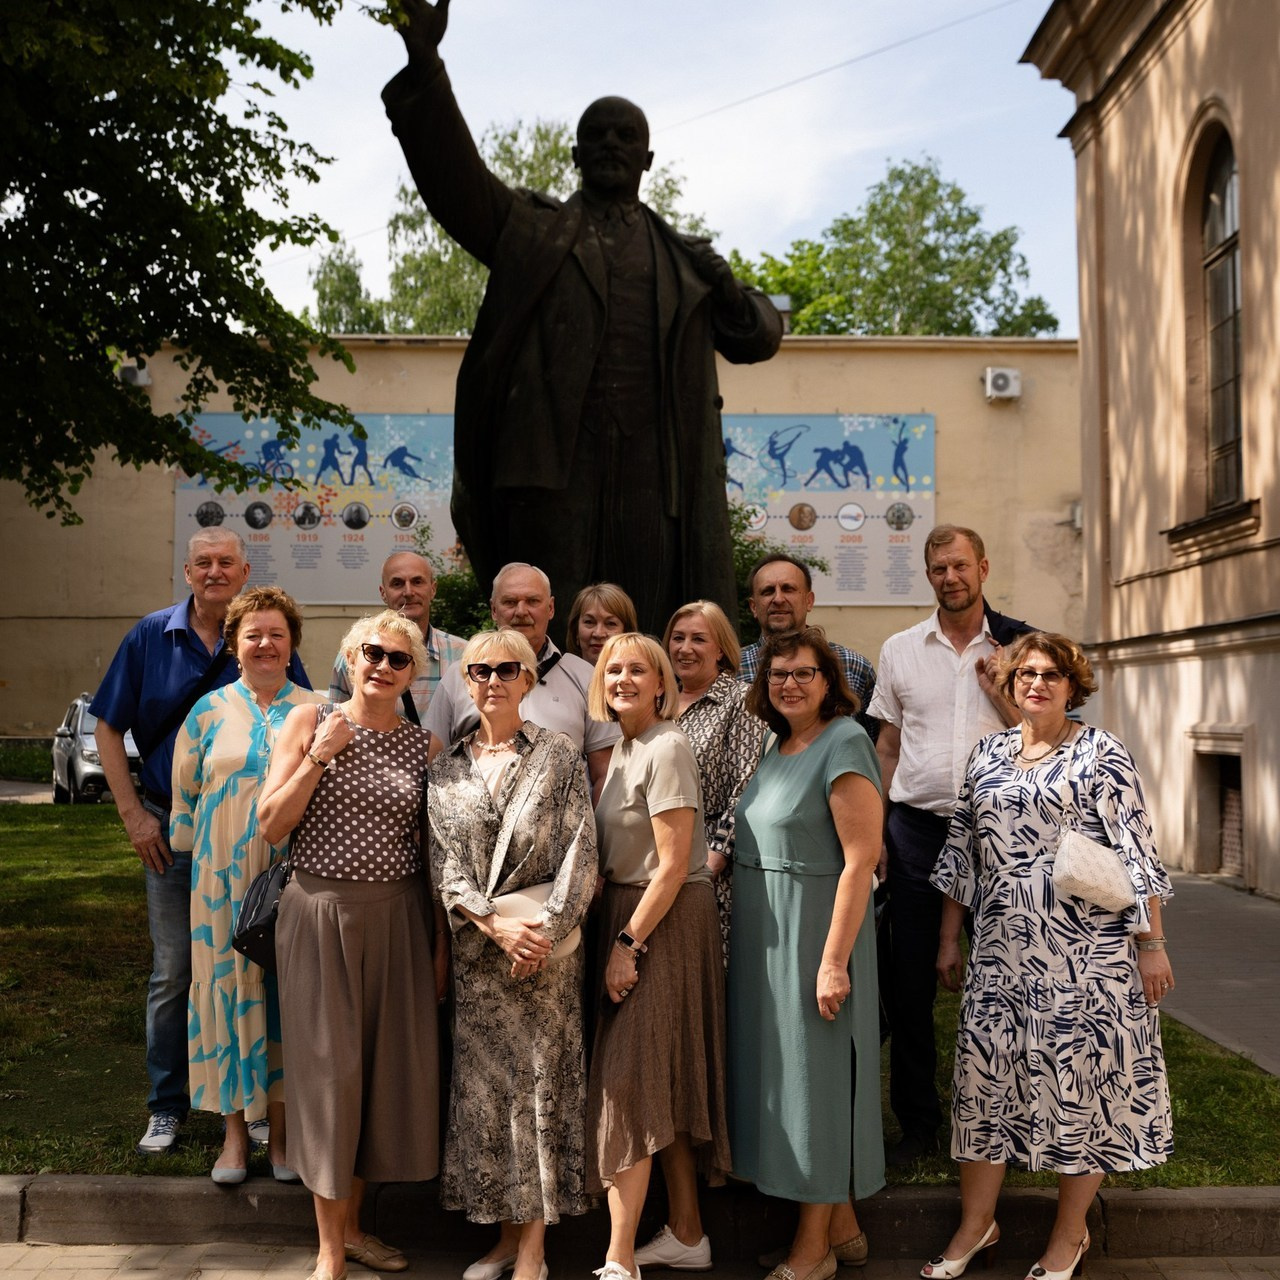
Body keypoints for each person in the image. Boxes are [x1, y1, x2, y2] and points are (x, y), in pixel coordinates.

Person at [382, 0, 783, 640]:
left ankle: (648, 728)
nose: (610, 146)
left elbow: (759, 336)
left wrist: (724, 280)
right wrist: (426, 65)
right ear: (574, 152)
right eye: (596, 135)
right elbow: (457, 185)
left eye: (626, 137)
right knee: (549, 618)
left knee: (651, 620)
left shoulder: (683, 259)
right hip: (550, 470)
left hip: (657, 473)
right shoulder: (535, 233)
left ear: (649, 159)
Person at [922, 632, 1173, 1280]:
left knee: (1079, 1087)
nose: (1037, 683)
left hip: (1085, 956)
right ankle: (976, 1227)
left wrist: (1153, 944)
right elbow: (961, 854)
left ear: (1072, 685)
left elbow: (1137, 854)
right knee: (983, 1081)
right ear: (1008, 683)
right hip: (1001, 954)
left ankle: (1069, 1238)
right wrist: (950, 939)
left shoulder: (1100, 751)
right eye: (1025, 673)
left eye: (1051, 675)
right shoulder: (988, 754)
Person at [91, 529, 310, 1156]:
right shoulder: (150, 637)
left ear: (243, 572)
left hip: (275, 855)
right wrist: (134, 815)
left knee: (271, 975)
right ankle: (169, 1105)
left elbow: (293, 736)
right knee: (178, 973)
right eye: (203, 563)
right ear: (187, 571)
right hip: (177, 834)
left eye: (226, 563)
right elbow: (109, 726)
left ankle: (266, 1109)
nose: (215, 572)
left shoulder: (272, 647)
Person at [258, 610, 444, 1280]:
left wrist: (439, 950)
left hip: (397, 918)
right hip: (320, 914)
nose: (383, 667)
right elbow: (272, 826)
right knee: (330, 1077)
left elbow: (428, 853)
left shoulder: (422, 747)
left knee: (380, 1079)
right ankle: (330, 1252)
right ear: (348, 656)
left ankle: (357, 1230)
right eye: (373, 653)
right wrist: (318, 756)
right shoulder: (308, 722)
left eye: (398, 659)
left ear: (412, 673)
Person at [428, 629, 598, 1280]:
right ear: (465, 681)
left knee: (537, 1094)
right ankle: (501, 1238)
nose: (493, 680)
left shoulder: (558, 755)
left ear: (529, 680)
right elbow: (444, 866)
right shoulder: (446, 770)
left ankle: (533, 1250)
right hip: (481, 956)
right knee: (485, 1098)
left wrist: (544, 933)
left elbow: (583, 854)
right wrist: (496, 929)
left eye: (508, 669)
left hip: (545, 961)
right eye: (480, 670)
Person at [866, 524, 1033, 1168]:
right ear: (928, 575)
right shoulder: (901, 649)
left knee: (1009, 983)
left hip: (1004, 837)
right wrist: (877, 830)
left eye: (961, 566)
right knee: (907, 985)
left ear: (983, 569)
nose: (950, 578)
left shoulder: (1021, 644)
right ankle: (919, 1124)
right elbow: (886, 746)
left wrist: (1003, 698)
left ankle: (1008, 1123)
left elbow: (1051, 734)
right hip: (915, 834)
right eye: (939, 569)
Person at [728, 628, 884, 1280]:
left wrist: (831, 962)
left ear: (829, 681)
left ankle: (812, 1251)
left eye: (803, 673)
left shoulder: (845, 741)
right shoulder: (775, 742)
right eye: (778, 674)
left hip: (817, 932)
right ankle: (841, 1224)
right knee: (784, 1082)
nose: (789, 683)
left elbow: (860, 862)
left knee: (815, 1086)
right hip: (768, 932)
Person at [586, 634, 731, 1280]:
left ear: (660, 682)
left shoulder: (668, 745)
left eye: (636, 670)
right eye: (612, 669)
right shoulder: (624, 745)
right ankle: (688, 1233)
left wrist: (626, 945)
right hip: (630, 913)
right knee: (657, 1081)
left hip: (659, 921)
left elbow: (674, 867)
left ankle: (620, 1259)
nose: (621, 678)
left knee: (629, 1083)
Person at [169, 586, 323, 1184]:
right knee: (224, 991)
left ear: (292, 646)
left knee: (284, 996)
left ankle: (281, 1138)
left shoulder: (317, 707)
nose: (264, 644)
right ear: (234, 643)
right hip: (217, 881)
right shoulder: (207, 711)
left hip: (292, 877)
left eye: (276, 635)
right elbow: (184, 797)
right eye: (253, 634)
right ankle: (234, 1137)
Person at [425, 564, 619, 799]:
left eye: (532, 601)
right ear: (494, 610)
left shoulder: (584, 677)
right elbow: (432, 767)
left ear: (550, 608)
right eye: (510, 602)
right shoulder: (460, 676)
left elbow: (604, 775)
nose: (521, 611)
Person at [663, 599, 765, 958]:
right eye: (678, 638)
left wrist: (713, 861)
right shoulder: (658, 700)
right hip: (653, 858)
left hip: (707, 867)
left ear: (720, 648)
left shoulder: (742, 700)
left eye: (698, 639)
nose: (685, 648)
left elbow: (748, 786)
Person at [737, 554, 877, 741]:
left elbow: (876, 746)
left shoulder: (854, 667)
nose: (778, 599)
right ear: (753, 607)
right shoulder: (732, 668)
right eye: (768, 591)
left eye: (788, 589)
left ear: (809, 601)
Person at [330, 551, 467, 726]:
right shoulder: (356, 655)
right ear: (383, 592)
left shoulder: (462, 655)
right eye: (397, 583)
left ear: (433, 589)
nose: (409, 592)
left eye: (417, 582)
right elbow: (336, 721)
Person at [565, 583, 639, 666]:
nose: (598, 634)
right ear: (576, 632)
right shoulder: (558, 677)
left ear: (626, 632)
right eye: (589, 622)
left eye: (610, 623)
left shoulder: (642, 678)